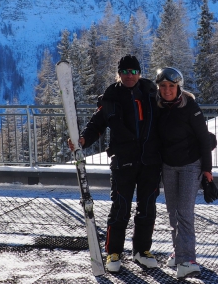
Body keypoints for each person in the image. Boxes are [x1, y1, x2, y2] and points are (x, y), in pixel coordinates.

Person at [69, 55, 162, 273]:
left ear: (139, 73)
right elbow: (95, 125)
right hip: (123, 161)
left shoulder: (151, 94)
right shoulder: (111, 99)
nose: (129, 76)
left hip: (150, 161)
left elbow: (172, 119)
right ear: (118, 74)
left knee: (147, 208)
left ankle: (141, 251)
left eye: (133, 72)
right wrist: (82, 140)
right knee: (121, 208)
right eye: (125, 72)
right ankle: (114, 252)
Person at [155, 67, 213, 279]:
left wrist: (207, 169)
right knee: (172, 213)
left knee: (185, 213)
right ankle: (178, 252)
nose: (167, 90)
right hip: (168, 166)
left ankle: (188, 259)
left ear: (178, 87)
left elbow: (204, 139)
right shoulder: (158, 106)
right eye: (163, 86)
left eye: (171, 86)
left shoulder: (190, 107)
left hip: (191, 165)